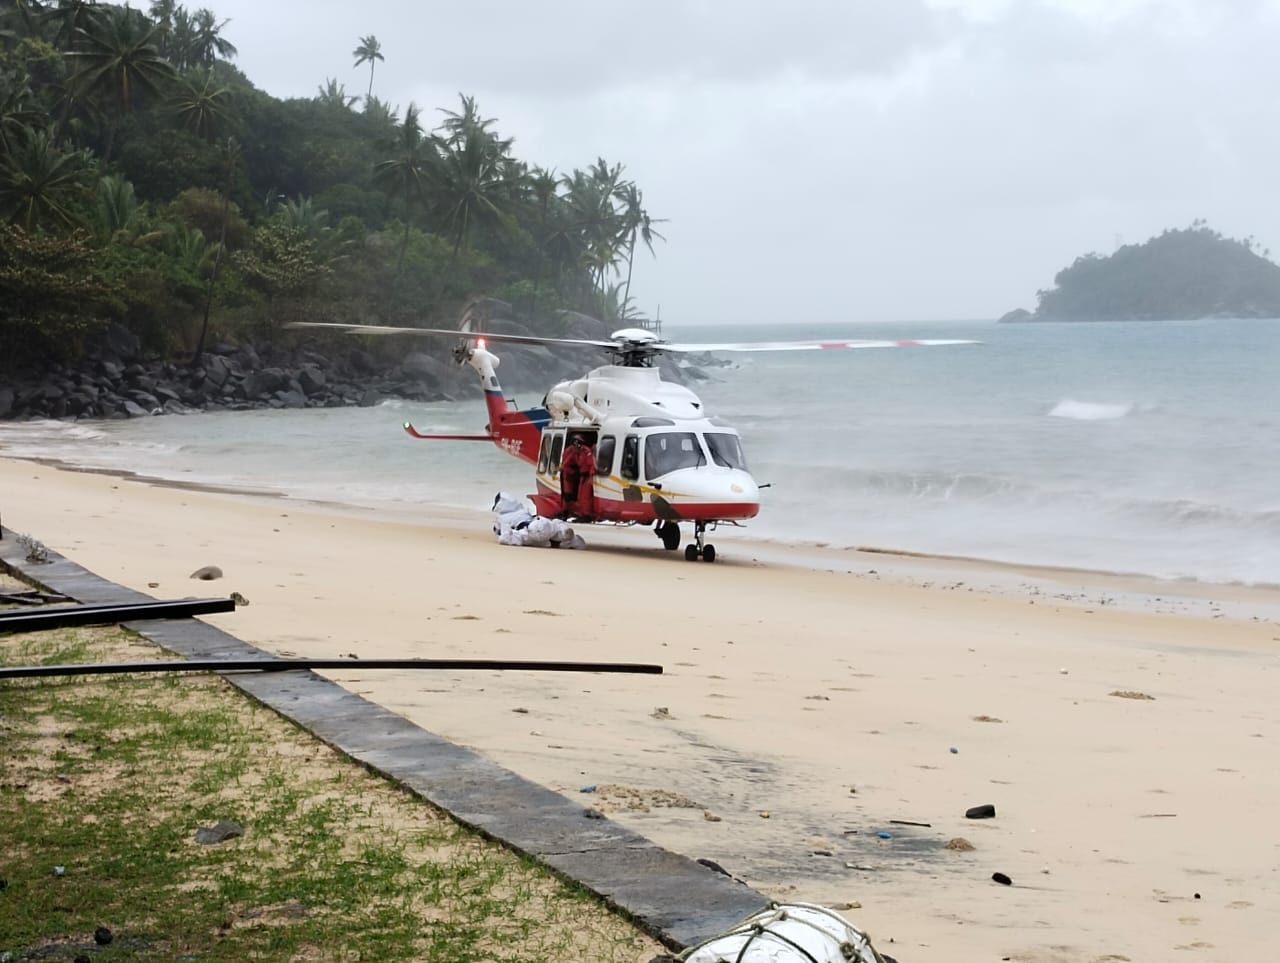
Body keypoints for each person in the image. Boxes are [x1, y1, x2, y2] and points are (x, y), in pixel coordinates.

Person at [559, 434, 596, 519]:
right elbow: (567, 461)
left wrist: (591, 476)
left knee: (585, 497)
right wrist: (563, 467)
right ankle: (570, 512)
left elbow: (591, 464)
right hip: (577, 476)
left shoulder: (586, 452)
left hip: (586, 476)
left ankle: (586, 515)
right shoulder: (572, 451)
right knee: (574, 495)